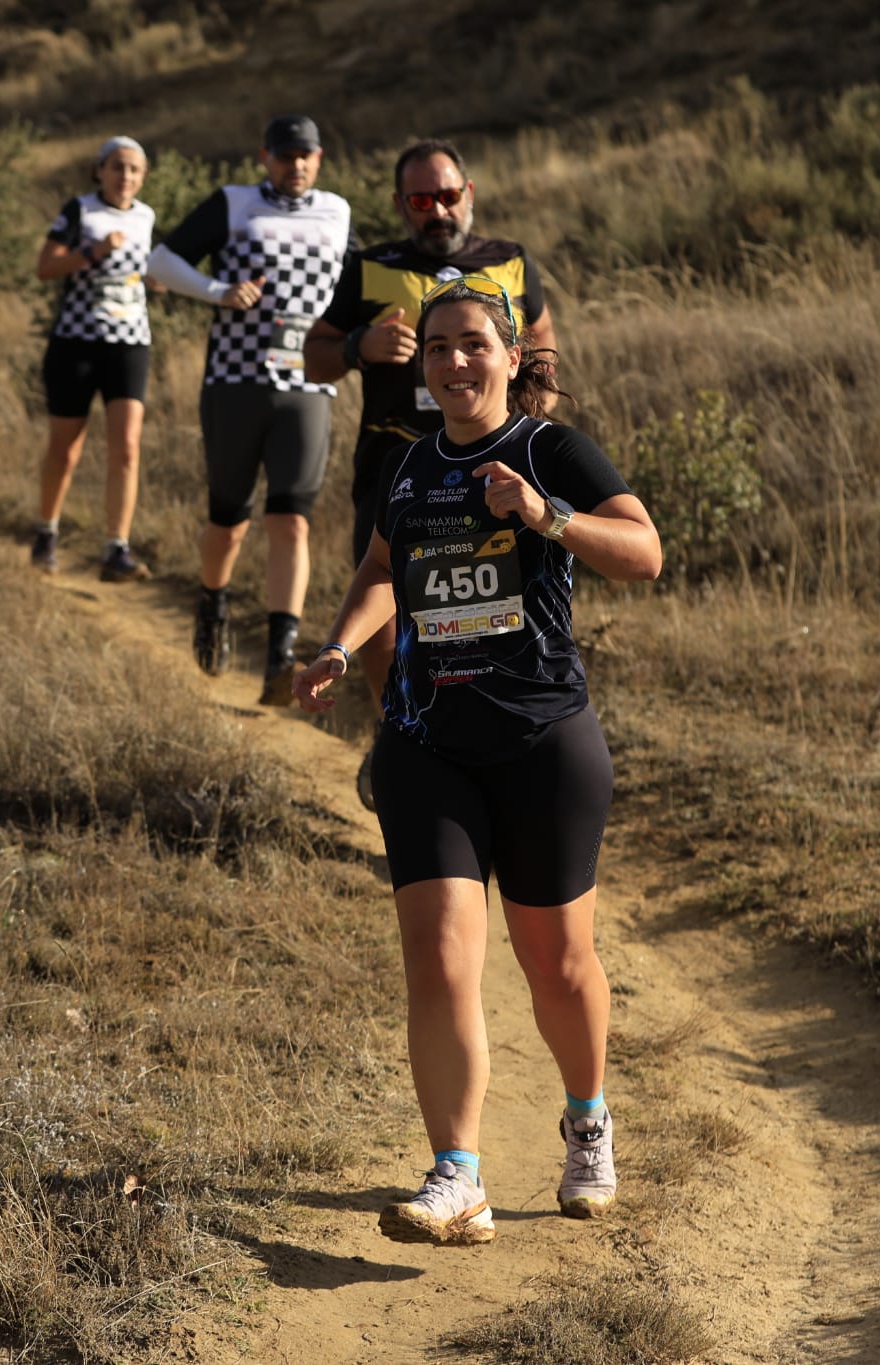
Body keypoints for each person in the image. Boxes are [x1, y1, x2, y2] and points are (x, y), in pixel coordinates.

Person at [294, 277, 661, 1245]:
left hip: (541, 742)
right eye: (437, 350)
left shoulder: (548, 450)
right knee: (440, 958)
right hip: (426, 743)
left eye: (471, 345)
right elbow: (382, 570)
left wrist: (545, 516)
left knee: (556, 964)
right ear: (420, 372)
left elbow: (641, 552)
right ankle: (456, 1175)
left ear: (508, 357)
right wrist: (338, 646)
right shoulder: (408, 467)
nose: (454, 363)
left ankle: (586, 1120)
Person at [305, 139, 559, 808]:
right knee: (389, 618)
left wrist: (539, 431)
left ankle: (485, 748)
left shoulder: (509, 262)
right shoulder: (369, 268)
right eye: (421, 200)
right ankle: (405, 737)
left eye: (448, 196)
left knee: (491, 614)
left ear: (468, 193)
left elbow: (542, 343)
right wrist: (359, 346)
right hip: (397, 470)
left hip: (493, 471)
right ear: (400, 207)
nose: (438, 210)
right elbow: (314, 357)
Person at [147, 115, 355, 704]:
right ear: (265, 157)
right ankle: (212, 602)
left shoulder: (337, 213)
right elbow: (161, 262)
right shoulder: (233, 204)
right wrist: (217, 292)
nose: (297, 165)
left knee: (291, 519)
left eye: (307, 155)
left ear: (319, 159)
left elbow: (360, 286)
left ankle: (279, 659)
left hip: (308, 387)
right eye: (286, 155)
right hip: (234, 382)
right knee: (229, 522)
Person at [30, 136, 157, 583]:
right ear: (99, 170)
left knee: (127, 447)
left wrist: (156, 280)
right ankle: (46, 531)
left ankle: (116, 548)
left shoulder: (146, 217)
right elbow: (46, 267)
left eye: (135, 170)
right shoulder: (79, 211)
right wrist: (91, 252)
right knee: (66, 449)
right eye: (118, 167)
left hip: (130, 342)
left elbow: (143, 274)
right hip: (76, 343)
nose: (126, 177)